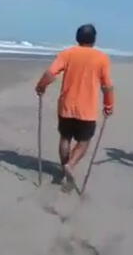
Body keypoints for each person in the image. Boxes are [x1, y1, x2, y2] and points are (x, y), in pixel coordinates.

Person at [35, 24, 115, 186]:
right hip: (88, 109)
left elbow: (51, 73)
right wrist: (109, 105)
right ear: (94, 39)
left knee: (65, 138)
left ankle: (65, 168)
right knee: (84, 141)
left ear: (77, 38)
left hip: (66, 106)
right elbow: (107, 86)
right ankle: (70, 166)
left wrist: (41, 86)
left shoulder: (67, 54)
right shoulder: (102, 58)